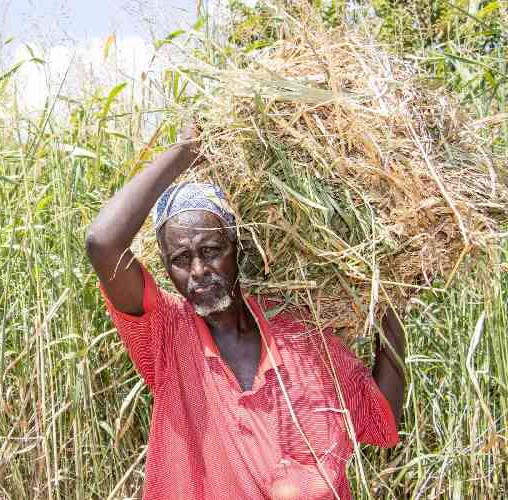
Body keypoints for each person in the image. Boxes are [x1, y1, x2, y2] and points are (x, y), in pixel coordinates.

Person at [85, 124, 406, 500]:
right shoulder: (167, 337)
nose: (199, 272)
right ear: (167, 267)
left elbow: (380, 415)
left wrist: (391, 298)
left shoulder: (299, 334)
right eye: (181, 260)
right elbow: (103, 243)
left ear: (235, 245)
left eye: (210, 251)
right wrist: (183, 153)